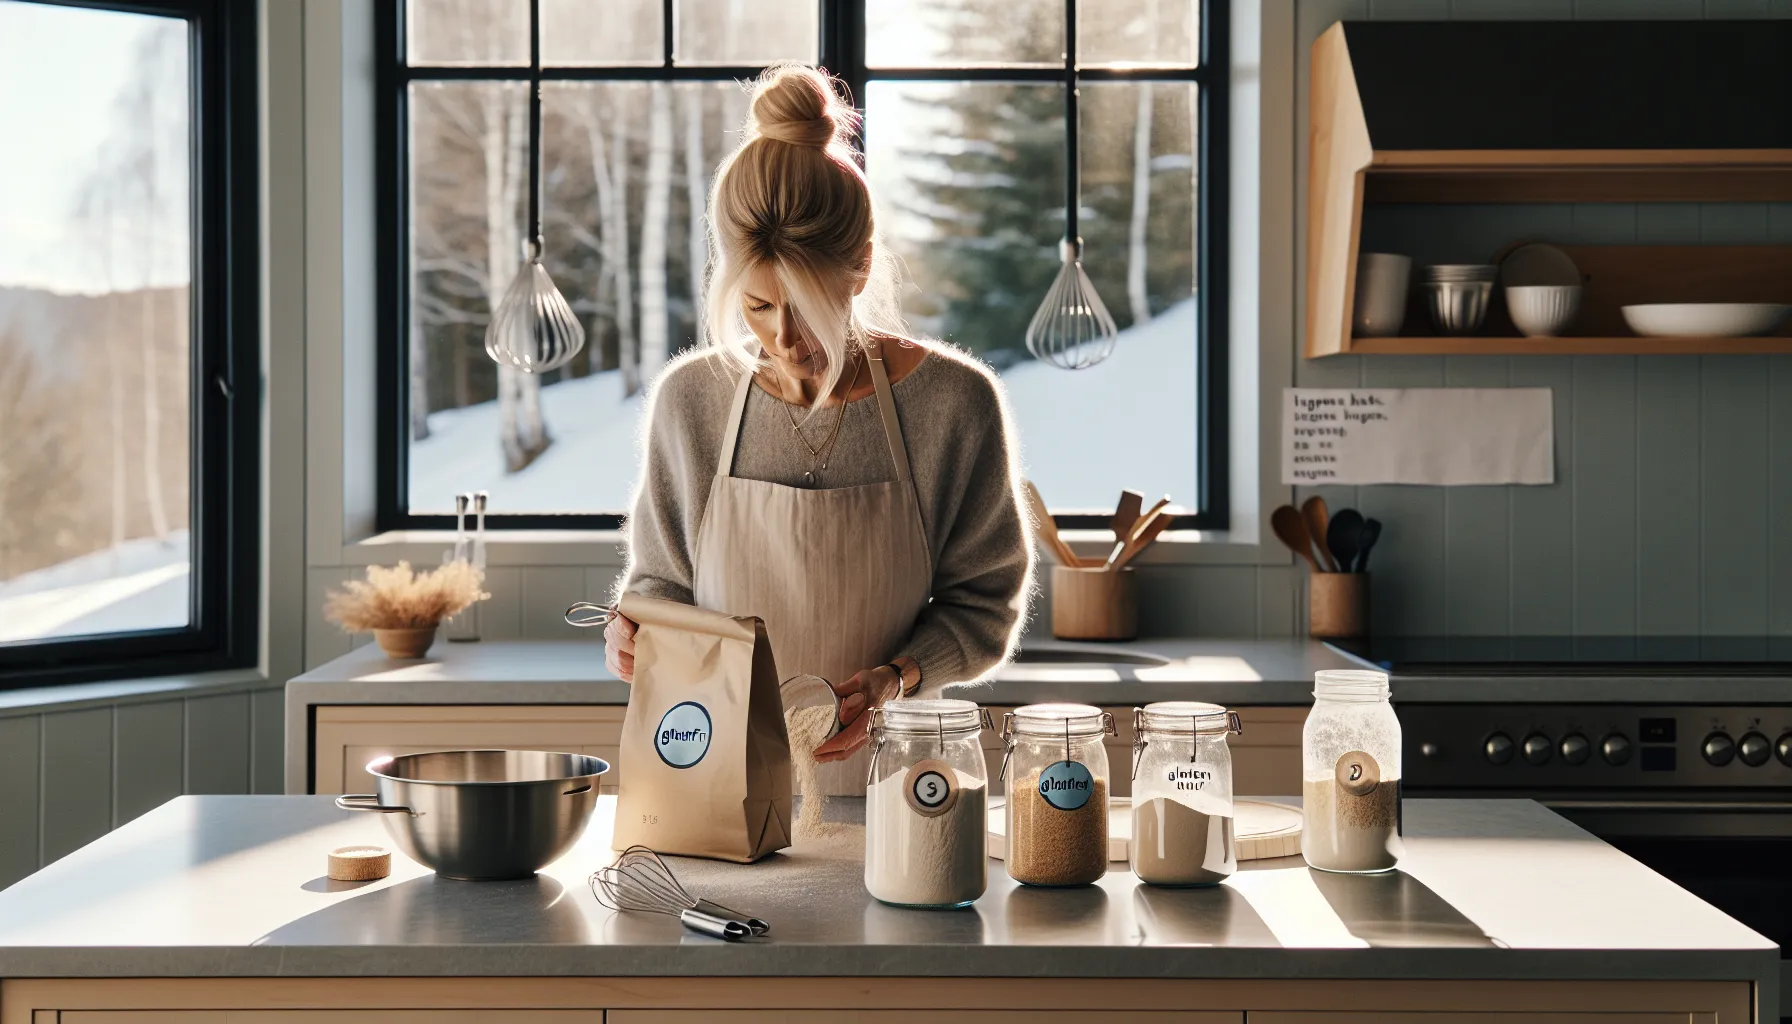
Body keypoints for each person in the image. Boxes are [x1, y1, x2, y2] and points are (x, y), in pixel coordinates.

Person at [605, 62, 1032, 765]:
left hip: (899, 776)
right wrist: (631, 628)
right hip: (715, 773)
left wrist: (897, 679)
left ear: (859, 268)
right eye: (756, 305)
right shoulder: (692, 401)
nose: (781, 337)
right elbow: (661, 585)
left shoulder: (953, 405)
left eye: (804, 307)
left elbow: (984, 607)